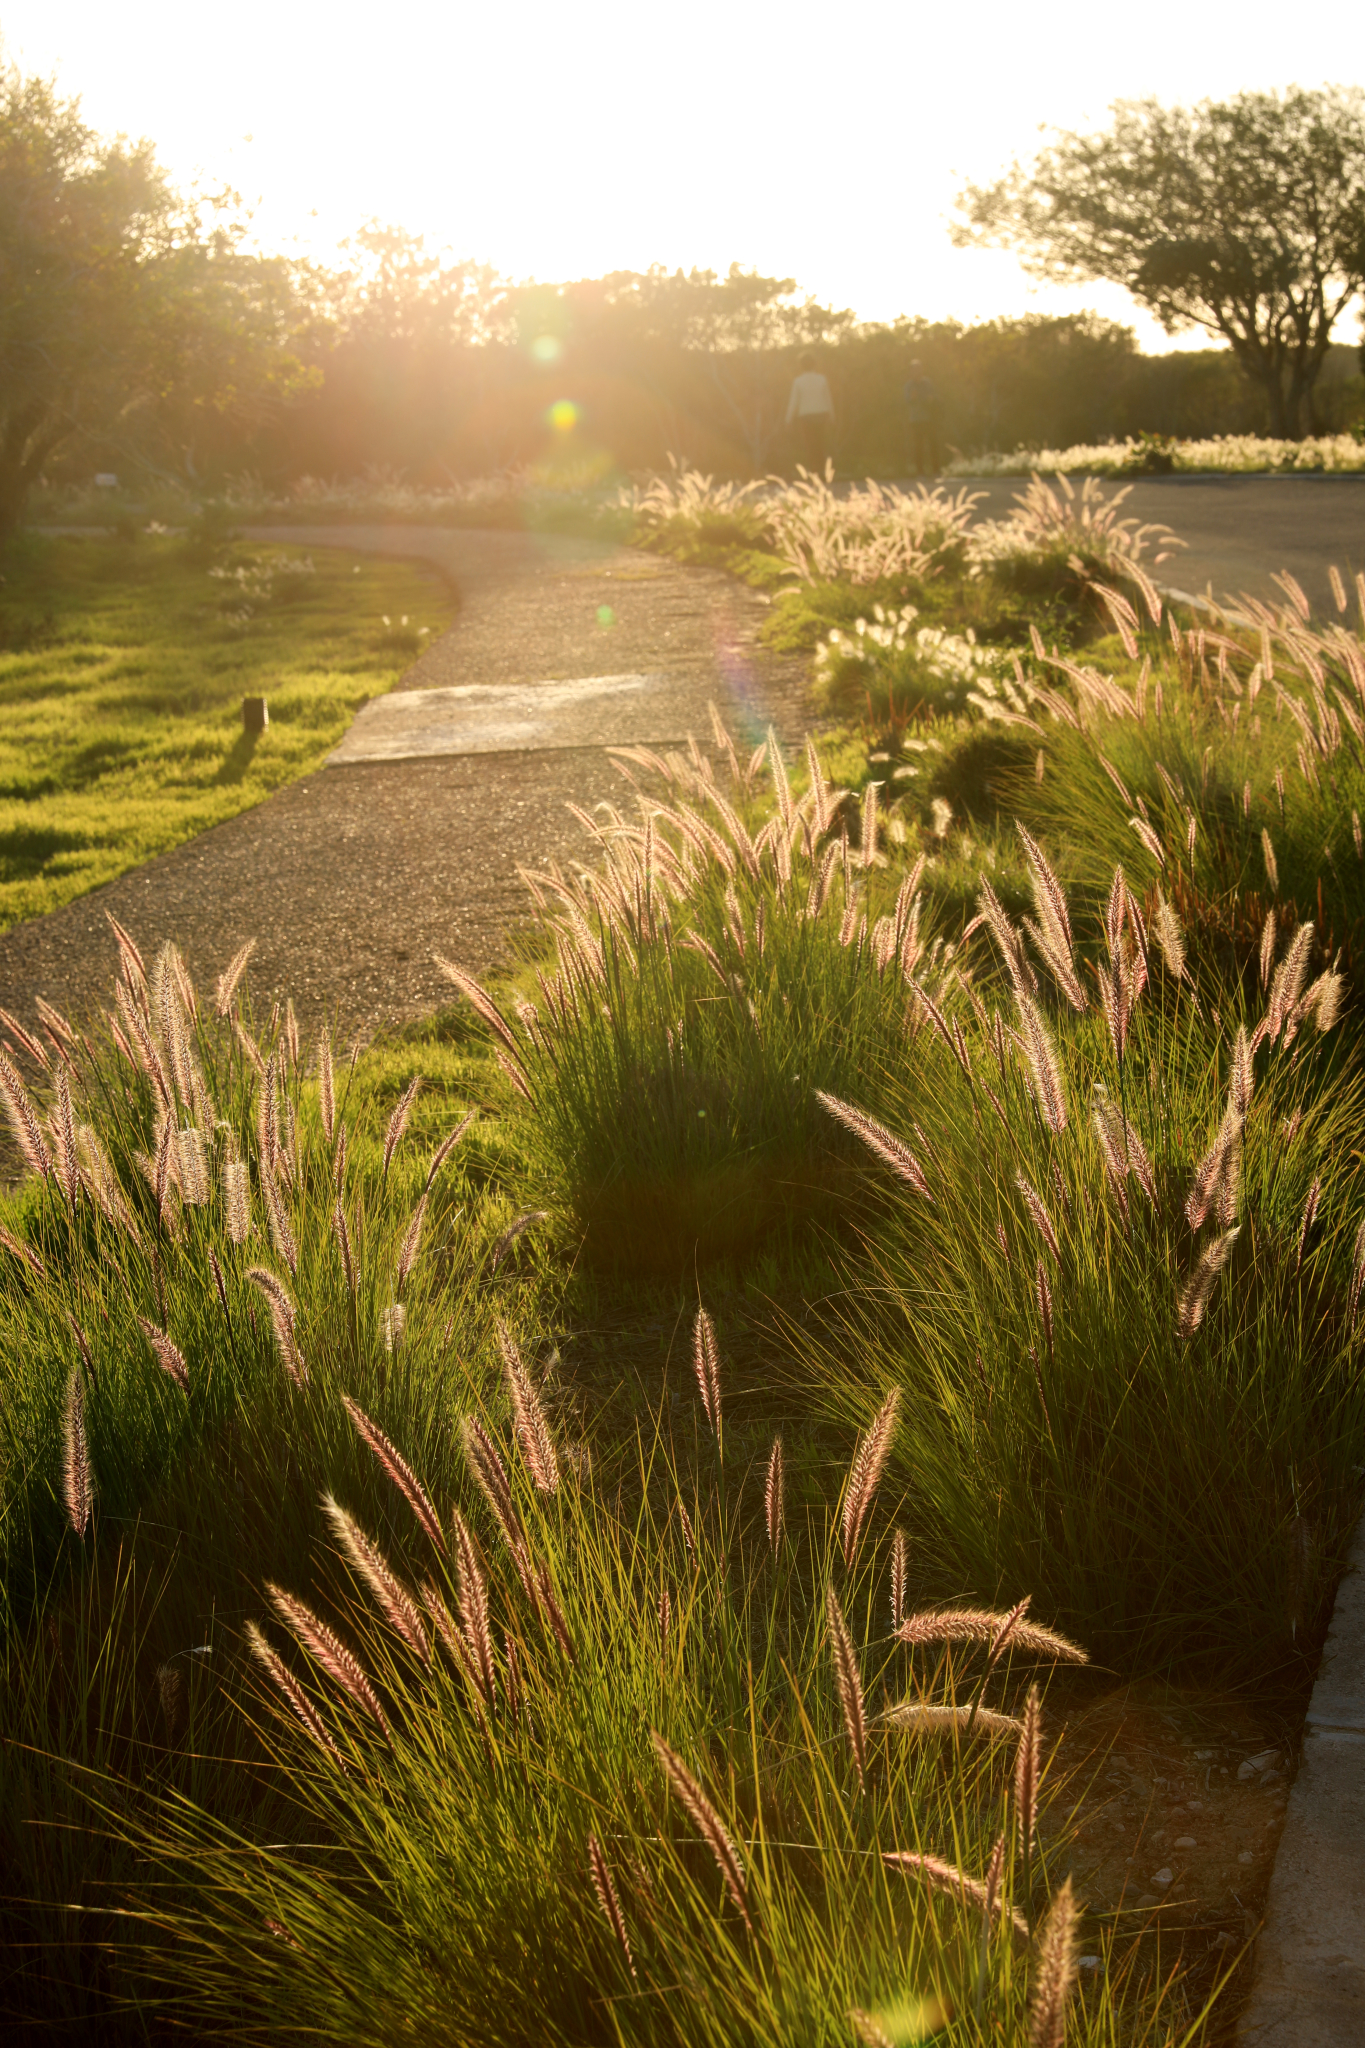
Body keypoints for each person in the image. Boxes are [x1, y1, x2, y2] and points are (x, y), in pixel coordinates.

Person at [785, 352, 834, 475]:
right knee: (821, 443)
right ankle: (823, 471)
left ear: (801, 366)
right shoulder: (822, 379)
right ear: (814, 364)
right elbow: (828, 399)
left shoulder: (798, 381)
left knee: (810, 445)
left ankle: (814, 470)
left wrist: (788, 420)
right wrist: (832, 415)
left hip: (806, 417)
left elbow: (793, 402)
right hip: (821, 415)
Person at [903, 359, 941, 477]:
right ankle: (920, 472)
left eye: (918, 369)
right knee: (918, 446)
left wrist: (930, 400)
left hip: (929, 418)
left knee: (933, 444)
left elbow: (934, 397)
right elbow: (907, 401)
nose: (916, 372)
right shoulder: (909, 385)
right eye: (914, 370)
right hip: (916, 420)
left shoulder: (927, 383)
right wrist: (912, 398)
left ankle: (936, 470)